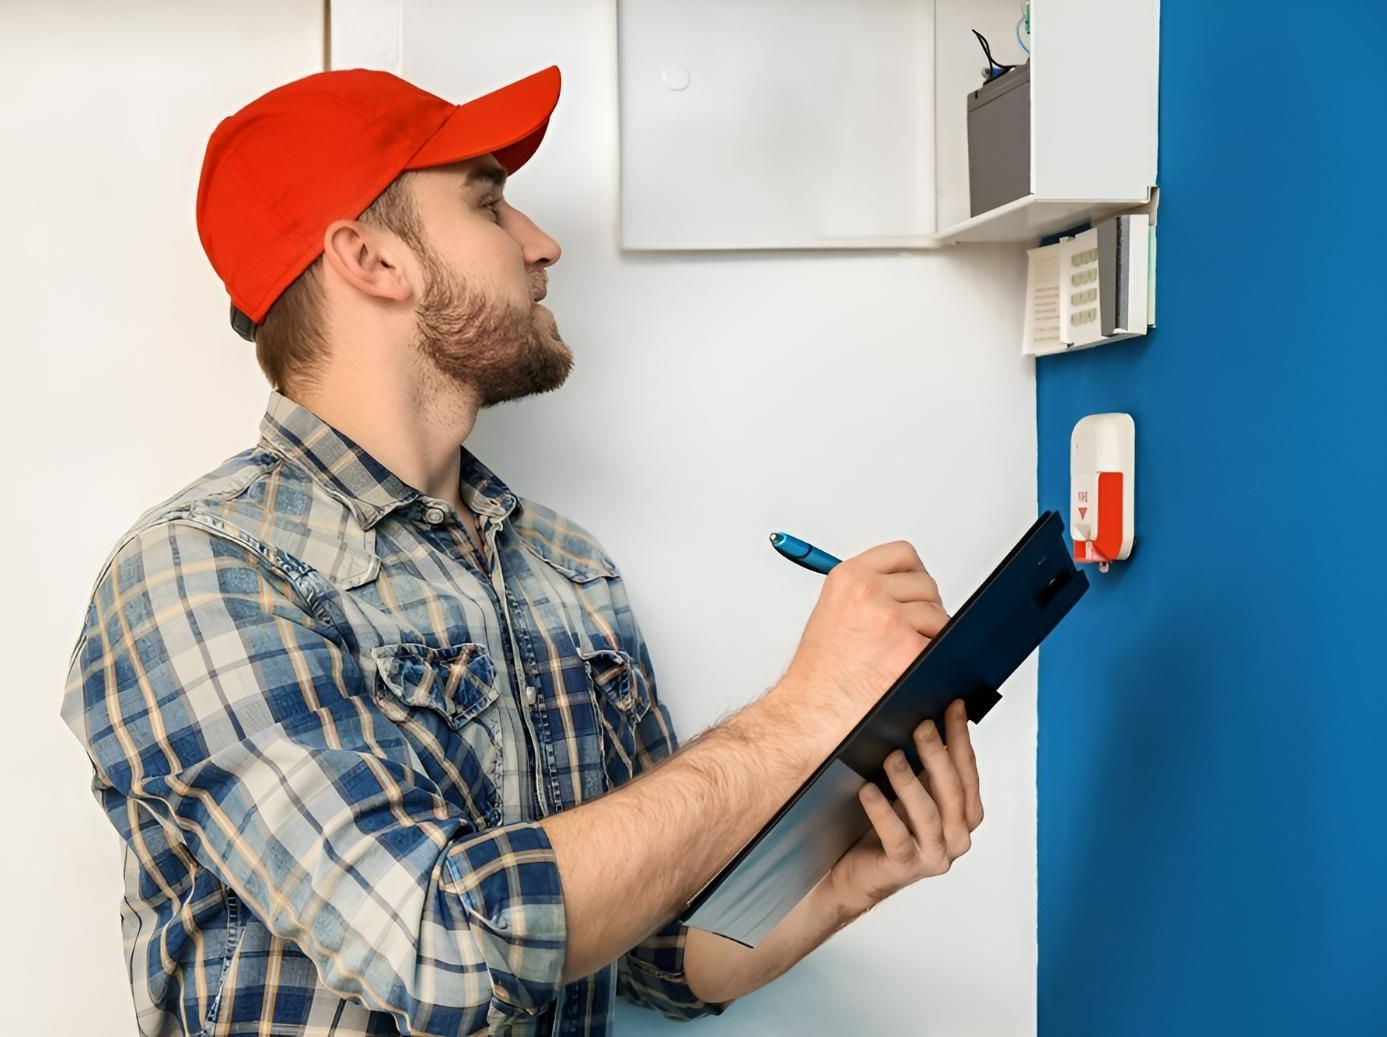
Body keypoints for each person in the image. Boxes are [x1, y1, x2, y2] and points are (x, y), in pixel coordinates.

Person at [60, 64, 984, 1037]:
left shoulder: (562, 564)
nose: (541, 243)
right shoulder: (199, 572)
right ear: (370, 259)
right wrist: (802, 716)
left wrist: (842, 881)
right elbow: (442, 948)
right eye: (489, 203)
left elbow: (657, 952)